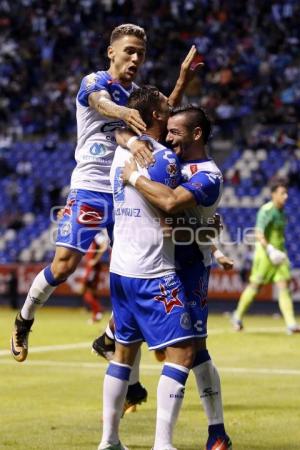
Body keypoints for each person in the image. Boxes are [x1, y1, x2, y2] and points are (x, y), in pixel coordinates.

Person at [10, 23, 198, 364]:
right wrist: (125, 113)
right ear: (112, 52)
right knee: (64, 266)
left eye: (140, 53)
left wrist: (183, 79)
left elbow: (162, 115)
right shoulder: (95, 82)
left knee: (134, 272)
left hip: (125, 191)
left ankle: (113, 344)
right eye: (129, 51)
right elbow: (100, 103)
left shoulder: (139, 94)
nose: (135, 58)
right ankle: (24, 319)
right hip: (89, 188)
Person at [99, 88, 232, 450]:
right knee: (176, 351)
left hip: (188, 271)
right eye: (167, 129)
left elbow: (173, 206)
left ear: (196, 135)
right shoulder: (163, 156)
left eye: (176, 132)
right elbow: (130, 127)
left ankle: (216, 430)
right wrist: (127, 134)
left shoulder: (208, 174)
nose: (169, 136)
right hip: (157, 268)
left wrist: (197, 228)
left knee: (196, 351)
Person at [232, 177, 300, 334]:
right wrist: (269, 249)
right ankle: (237, 316)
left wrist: (278, 251)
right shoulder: (267, 210)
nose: (286, 196)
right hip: (265, 255)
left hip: (280, 255)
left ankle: (291, 324)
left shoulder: (282, 211)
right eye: (282, 193)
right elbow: (258, 232)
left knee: (284, 287)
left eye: (286, 193)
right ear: (274, 194)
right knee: (255, 287)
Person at [79, 230, 109, 323]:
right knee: (92, 291)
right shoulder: (90, 235)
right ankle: (97, 314)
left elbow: (104, 245)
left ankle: (98, 310)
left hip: (92, 267)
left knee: (84, 290)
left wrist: (95, 260)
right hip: (91, 266)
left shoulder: (96, 234)